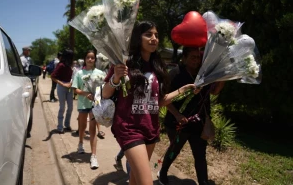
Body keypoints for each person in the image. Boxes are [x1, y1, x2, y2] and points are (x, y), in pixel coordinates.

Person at [102, 21, 197, 185]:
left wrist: (183, 90)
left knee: (135, 180)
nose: (154, 38)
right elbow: (105, 93)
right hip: (128, 128)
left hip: (151, 129)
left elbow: (159, 102)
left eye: (156, 35)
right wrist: (115, 78)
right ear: (138, 38)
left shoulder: (158, 67)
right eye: (148, 34)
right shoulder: (123, 63)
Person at [158, 47, 225, 185]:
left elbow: (214, 92)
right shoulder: (175, 74)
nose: (196, 60)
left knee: (200, 155)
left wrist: (223, 78)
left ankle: (203, 182)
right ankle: (163, 172)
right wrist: (177, 115)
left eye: (198, 57)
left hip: (199, 123)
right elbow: (164, 99)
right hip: (178, 123)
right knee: (174, 150)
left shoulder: (204, 74)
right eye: (192, 57)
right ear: (184, 58)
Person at [72, 50, 106, 169]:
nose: (90, 60)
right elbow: (75, 89)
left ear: (95, 60)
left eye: (92, 58)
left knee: (92, 130)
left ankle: (93, 156)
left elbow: (105, 87)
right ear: (85, 59)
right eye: (88, 57)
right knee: (82, 127)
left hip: (95, 105)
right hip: (82, 104)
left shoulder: (100, 73)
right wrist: (86, 93)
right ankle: (80, 143)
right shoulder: (79, 73)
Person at [51, 49, 74, 133]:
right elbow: (53, 76)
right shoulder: (61, 65)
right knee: (62, 107)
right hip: (62, 86)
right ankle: (60, 126)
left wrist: (71, 82)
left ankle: (67, 124)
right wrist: (63, 84)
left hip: (70, 86)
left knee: (70, 107)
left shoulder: (70, 65)